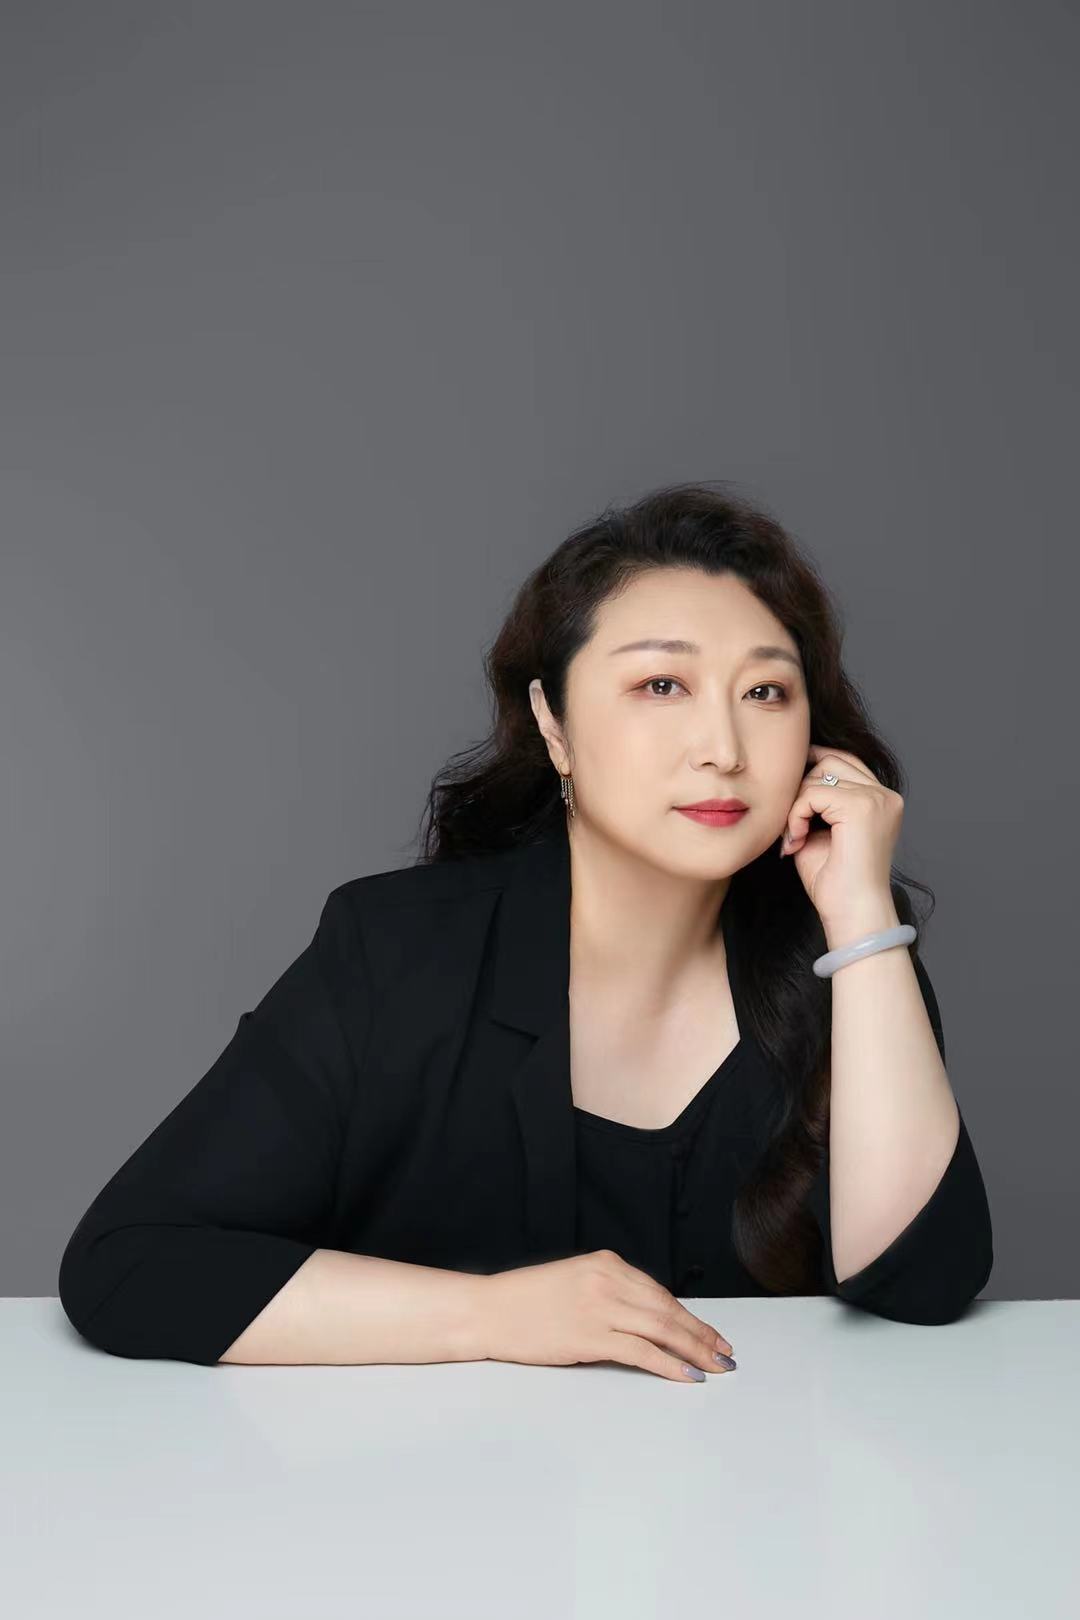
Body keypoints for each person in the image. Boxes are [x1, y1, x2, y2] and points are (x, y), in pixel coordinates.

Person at [58, 481, 993, 1381]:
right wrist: (490, 1315)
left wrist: (863, 917)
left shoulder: (847, 959)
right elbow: (132, 1263)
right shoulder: (395, 953)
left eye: (766, 693)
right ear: (554, 724)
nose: (723, 748)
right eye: (662, 684)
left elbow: (921, 1285)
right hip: (448, 1484)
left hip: (763, 1485)